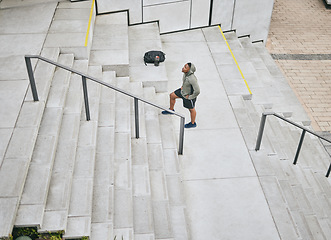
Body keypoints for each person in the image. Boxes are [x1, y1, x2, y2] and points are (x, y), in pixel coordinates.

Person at [162, 62, 200, 128]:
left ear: (189, 70)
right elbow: (185, 82)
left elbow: (197, 91)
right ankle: (171, 110)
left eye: (185, 67)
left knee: (191, 109)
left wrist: (190, 97)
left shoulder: (192, 79)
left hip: (188, 96)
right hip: (182, 91)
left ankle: (193, 123)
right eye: (184, 66)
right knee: (172, 95)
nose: (183, 68)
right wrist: (183, 86)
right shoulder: (185, 74)